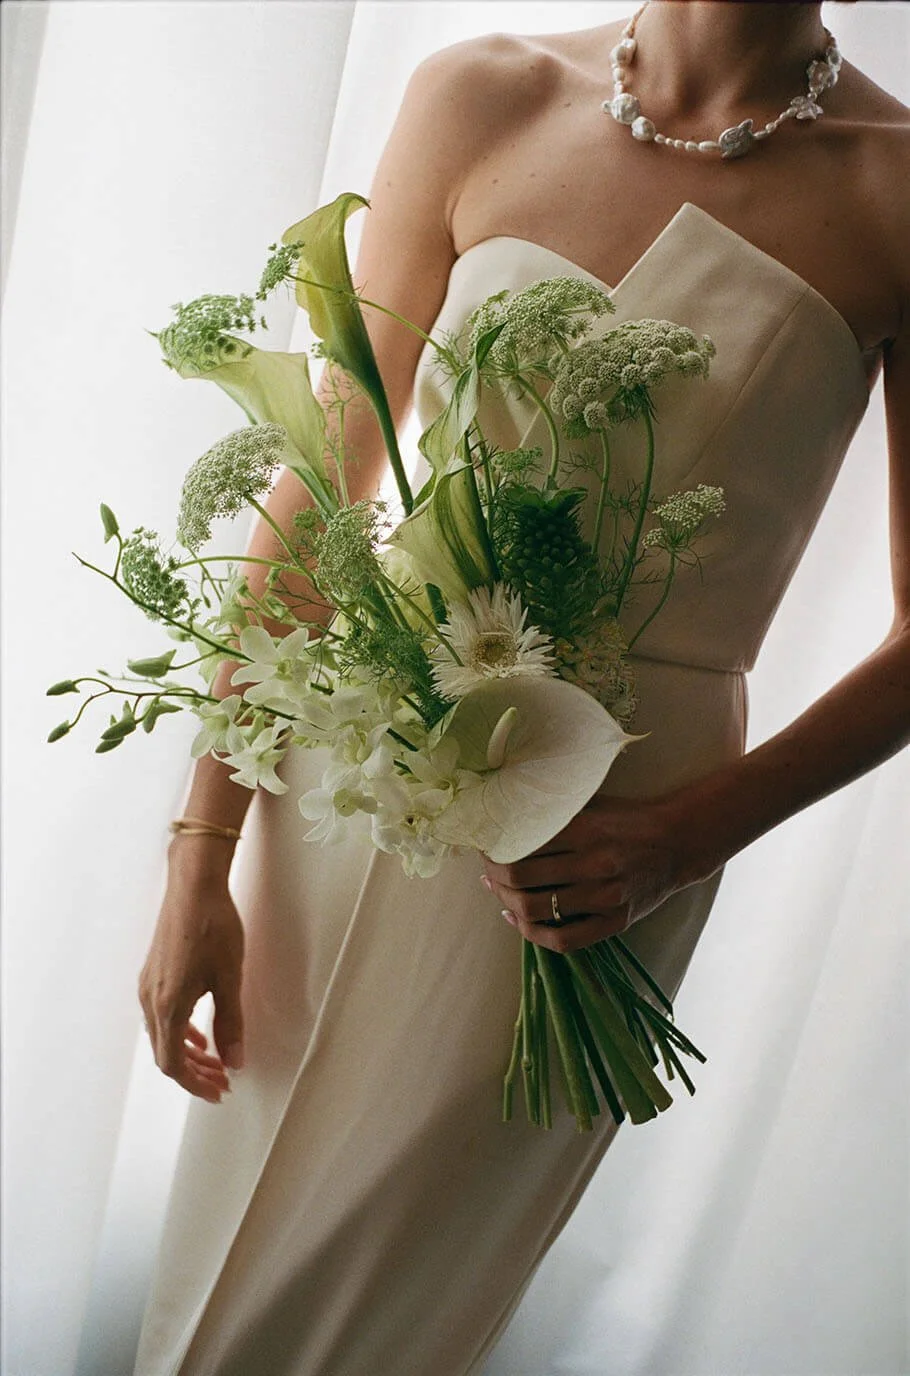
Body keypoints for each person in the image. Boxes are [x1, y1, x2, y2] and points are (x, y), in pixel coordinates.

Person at [135, 3, 909, 1372]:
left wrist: (687, 835)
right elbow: (326, 479)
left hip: (610, 837)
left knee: (393, 1293)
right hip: (367, 754)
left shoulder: (893, 187)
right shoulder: (480, 92)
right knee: (223, 1255)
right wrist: (201, 852)